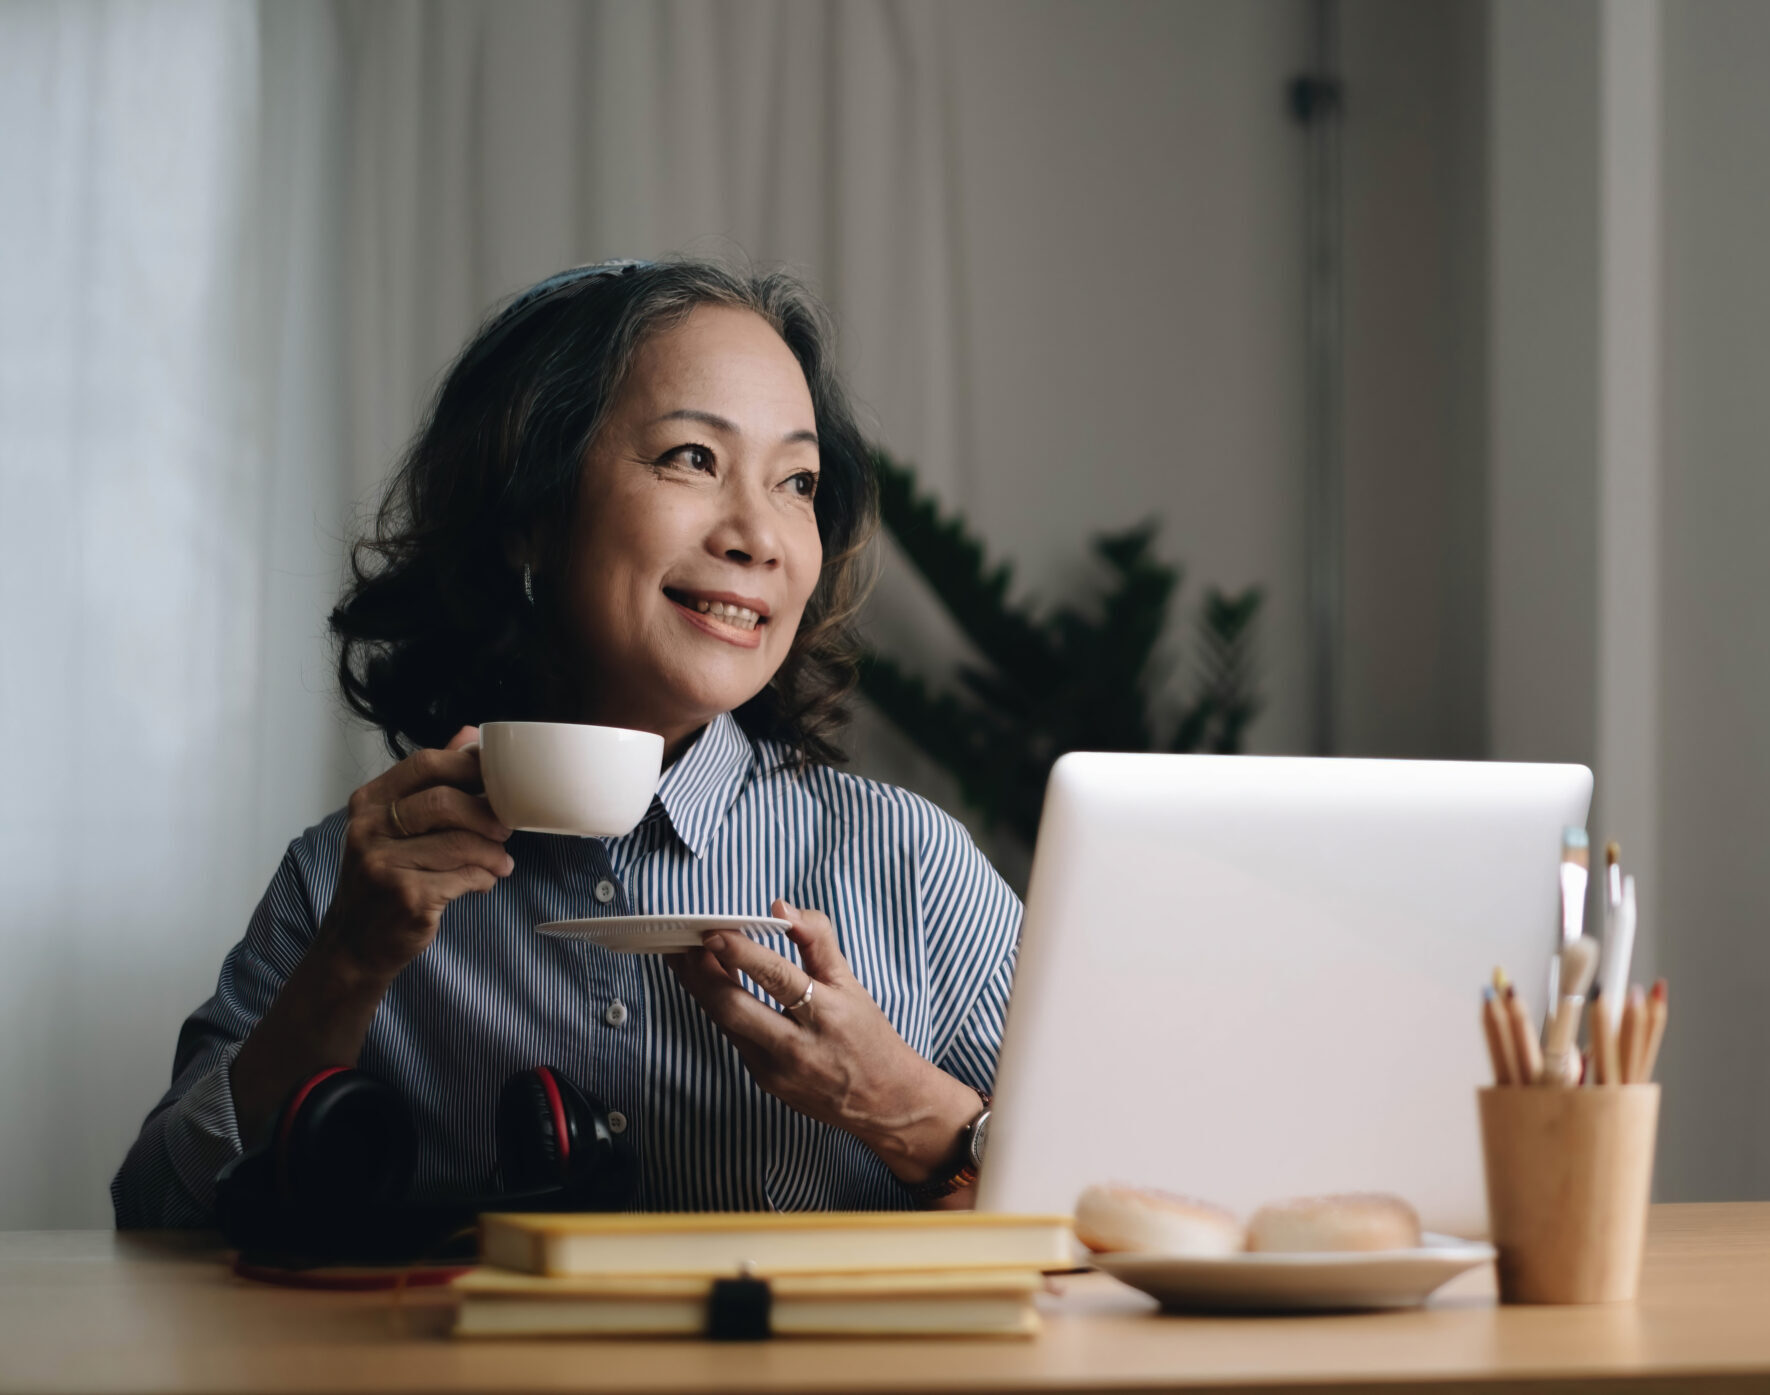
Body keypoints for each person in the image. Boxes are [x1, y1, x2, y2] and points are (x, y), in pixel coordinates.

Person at [112, 259, 1020, 1225]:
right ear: (531, 518)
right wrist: (343, 969)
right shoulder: (351, 882)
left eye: (797, 481)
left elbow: (1143, 1195)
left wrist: (913, 1112)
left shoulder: (906, 864)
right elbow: (156, 1217)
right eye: (693, 458)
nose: (760, 535)